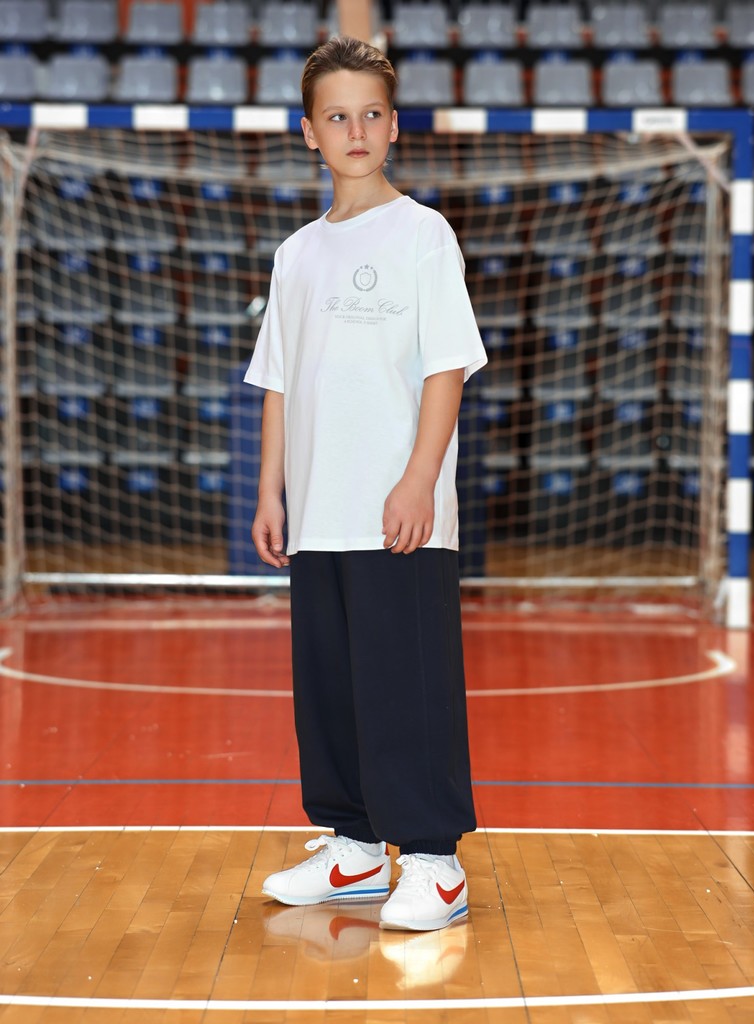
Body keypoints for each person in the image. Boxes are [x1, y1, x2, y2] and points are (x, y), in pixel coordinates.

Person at [245, 35, 487, 932]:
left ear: (393, 126)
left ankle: (432, 860)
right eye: (337, 116)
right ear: (310, 131)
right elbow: (278, 383)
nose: (355, 130)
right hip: (318, 511)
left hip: (399, 509)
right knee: (332, 688)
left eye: (371, 114)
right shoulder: (296, 254)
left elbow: (446, 367)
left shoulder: (423, 234)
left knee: (407, 683)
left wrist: (420, 479)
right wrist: (271, 492)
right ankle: (352, 848)